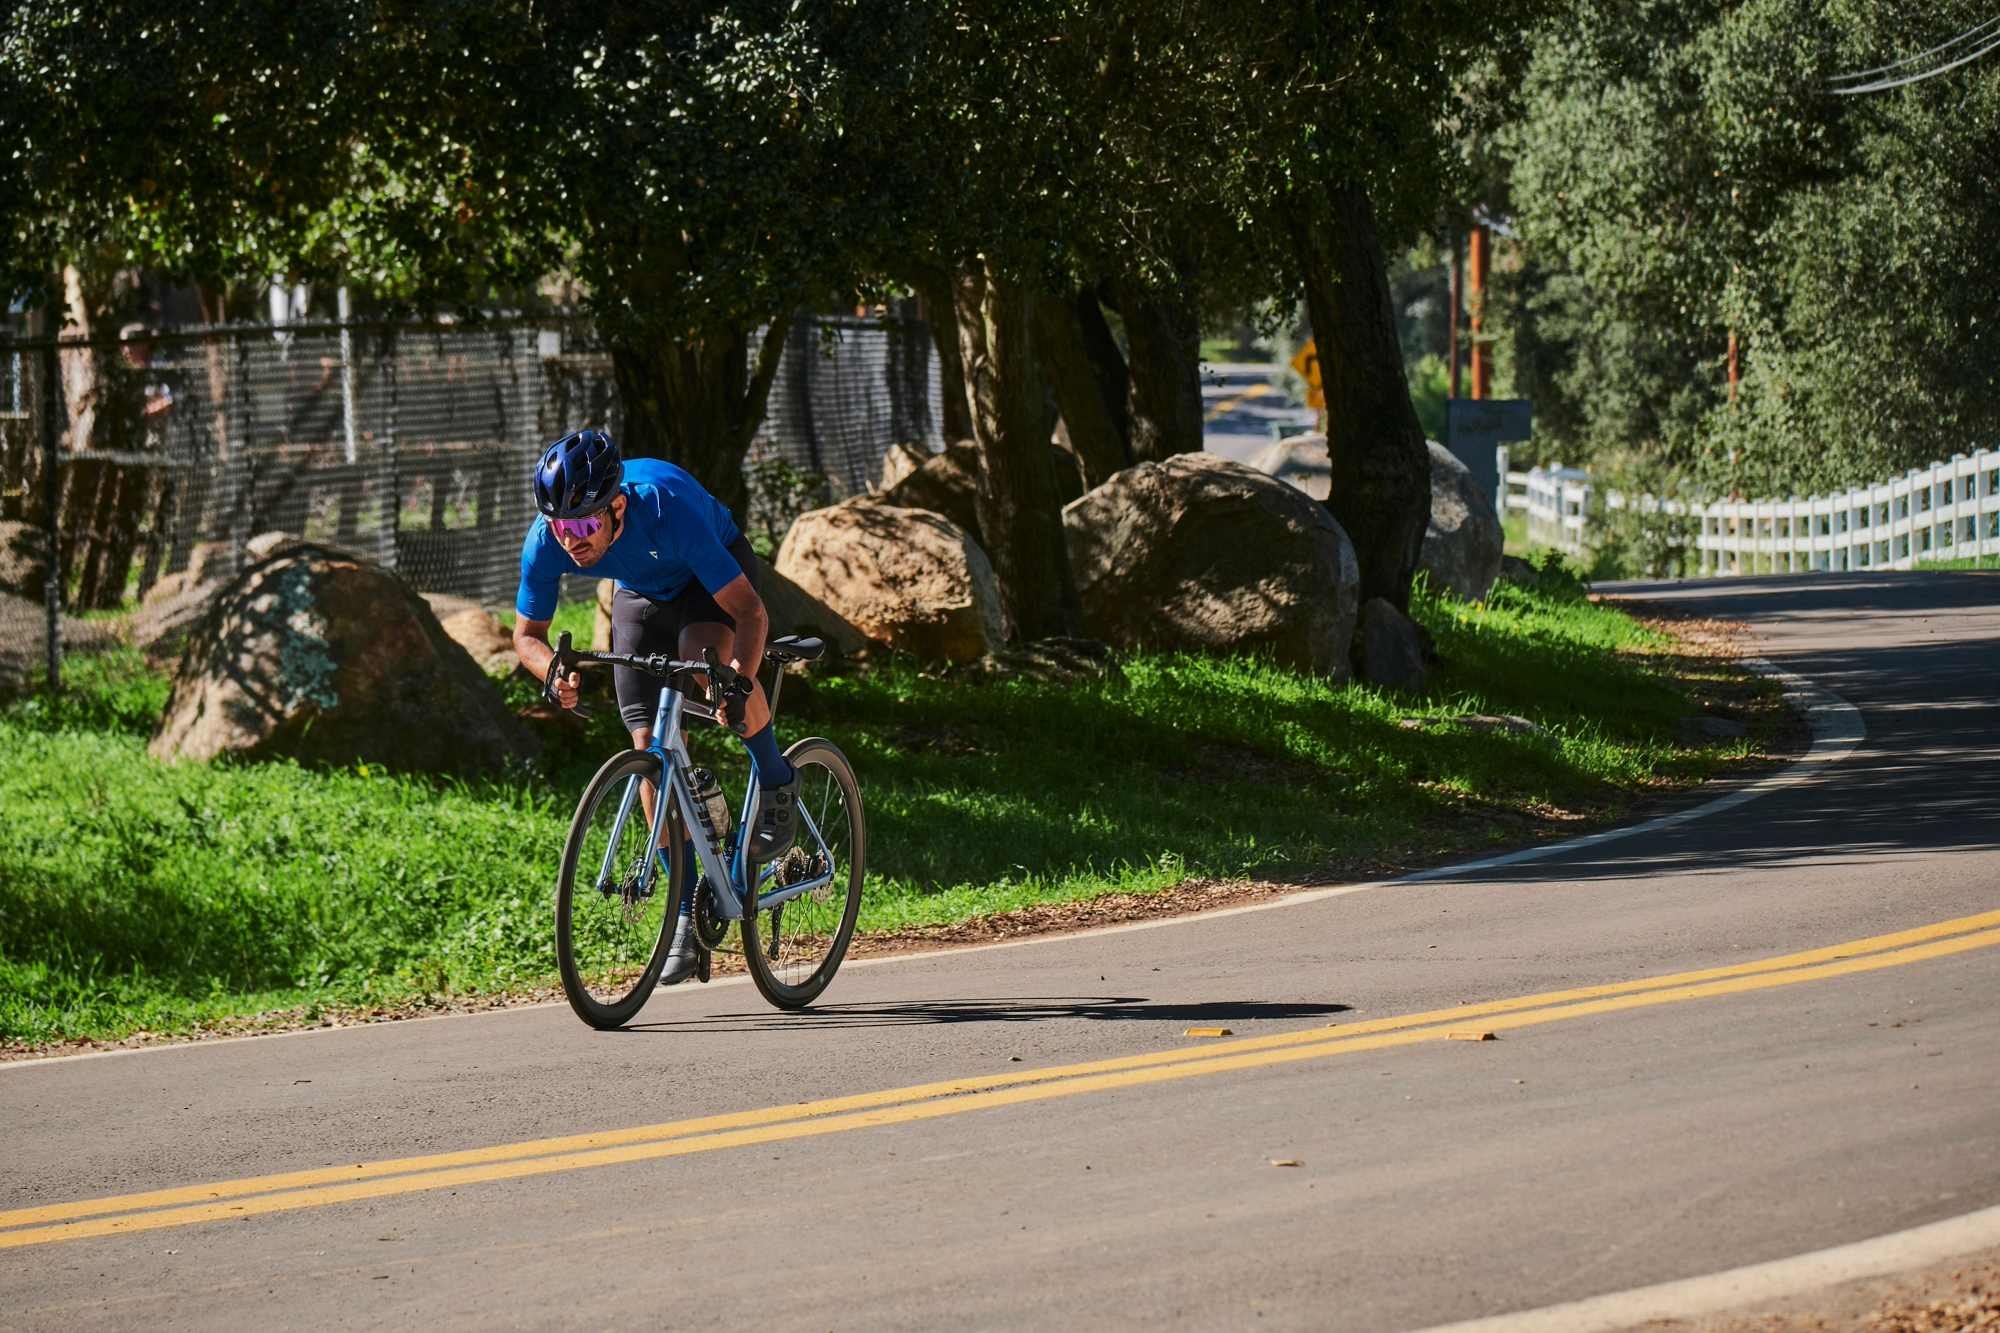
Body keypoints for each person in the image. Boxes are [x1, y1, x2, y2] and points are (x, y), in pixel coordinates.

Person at [511, 428, 797, 986]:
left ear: (617, 506)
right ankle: (686, 917)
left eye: (586, 524)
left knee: (708, 667)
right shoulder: (547, 538)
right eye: (561, 527)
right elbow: (527, 635)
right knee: (648, 747)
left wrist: (738, 680)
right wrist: (552, 671)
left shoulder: (668, 509)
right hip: (641, 592)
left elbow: (752, 616)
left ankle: (777, 777)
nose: (572, 540)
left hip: (707, 579)